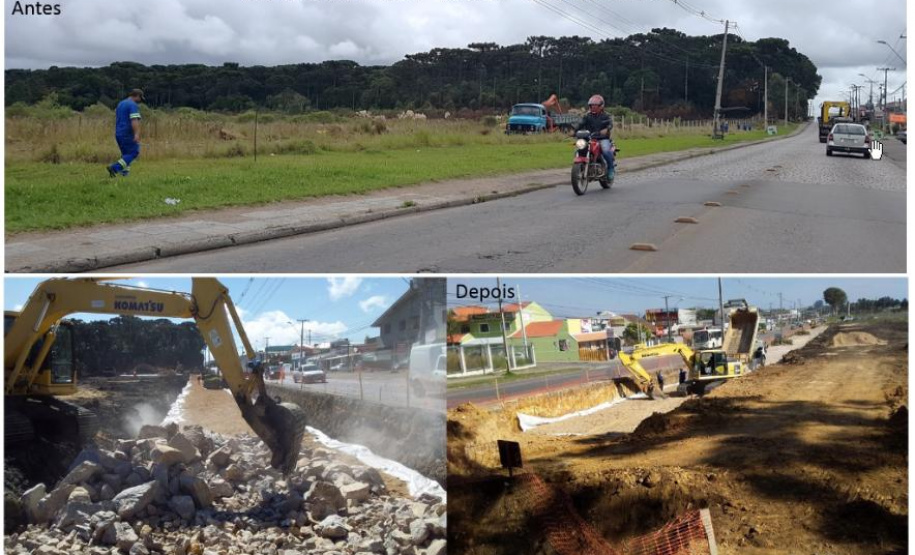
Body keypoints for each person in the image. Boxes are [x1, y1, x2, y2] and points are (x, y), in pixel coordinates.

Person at [107, 89, 144, 177]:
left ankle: (125, 175)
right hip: (127, 133)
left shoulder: (121, 104)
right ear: (137, 96)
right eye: (140, 98)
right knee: (133, 152)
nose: (140, 101)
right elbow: (134, 120)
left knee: (126, 155)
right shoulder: (132, 105)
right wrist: (136, 134)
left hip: (118, 132)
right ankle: (115, 168)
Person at [576, 94, 615, 178]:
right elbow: (580, 124)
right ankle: (581, 167)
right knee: (579, 149)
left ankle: (611, 168)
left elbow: (610, 124)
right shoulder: (587, 116)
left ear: (601, 106)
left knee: (605, 151)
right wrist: (574, 131)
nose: (593, 107)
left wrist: (607, 129)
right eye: (592, 105)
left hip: (602, 139)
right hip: (590, 138)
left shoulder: (606, 115)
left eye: (595, 105)